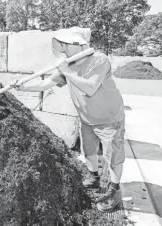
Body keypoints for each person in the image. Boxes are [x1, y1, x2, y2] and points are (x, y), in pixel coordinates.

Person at [11, 27, 125, 213]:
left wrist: (67, 71)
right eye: (62, 45)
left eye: (66, 45)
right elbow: (45, 83)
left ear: (78, 44)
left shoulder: (99, 60)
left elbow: (90, 88)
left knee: (113, 157)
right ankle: (94, 178)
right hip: (87, 118)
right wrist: (22, 87)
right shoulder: (69, 66)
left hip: (109, 118)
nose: (63, 50)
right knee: (89, 152)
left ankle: (114, 191)